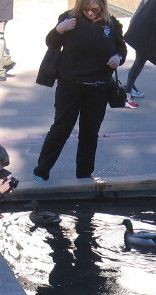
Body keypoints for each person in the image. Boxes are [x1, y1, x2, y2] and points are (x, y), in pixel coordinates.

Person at [32, 0, 127, 181]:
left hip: (98, 87)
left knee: (90, 132)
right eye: (85, 9)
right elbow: (51, 43)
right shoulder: (69, 19)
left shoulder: (112, 23)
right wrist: (60, 29)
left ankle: (84, 174)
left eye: (94, 9)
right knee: (61, 128)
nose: (90, 13)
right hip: (70, 85)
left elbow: (121, 48)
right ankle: (42, 170)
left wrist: (117, 56)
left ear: (102, 5)